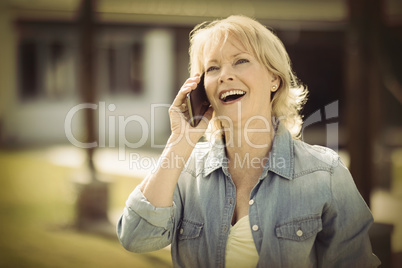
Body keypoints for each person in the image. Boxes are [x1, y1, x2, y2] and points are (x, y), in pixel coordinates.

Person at [117, 15, 380, 268]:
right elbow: (136, 237)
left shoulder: (326, 173)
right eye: (212, 68)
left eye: (241, 61)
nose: (224, 75)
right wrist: (181, 140)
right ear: (201, 90)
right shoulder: (184, 171)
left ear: (274, 79)